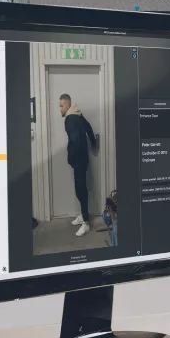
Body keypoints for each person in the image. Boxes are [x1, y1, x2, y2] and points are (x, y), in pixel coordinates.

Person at [59, 94, 97, 237]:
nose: (60, 109)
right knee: (81, 188)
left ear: (68, 105)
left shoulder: (70, 119)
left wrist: (71, 158)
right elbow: (89, 128)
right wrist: (93, 144)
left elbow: (75, 141)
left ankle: (86, 222)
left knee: (80, 189)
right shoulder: (78, 114)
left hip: (79, 161)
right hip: (83, 160)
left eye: (61, 105)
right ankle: (83, 215)